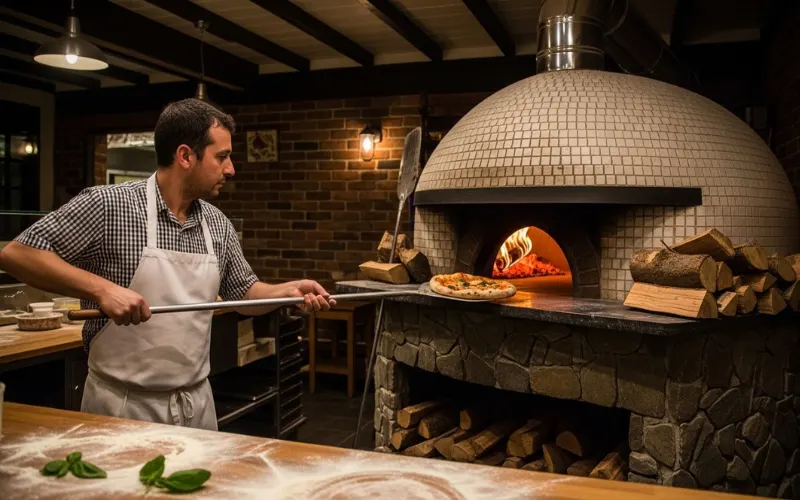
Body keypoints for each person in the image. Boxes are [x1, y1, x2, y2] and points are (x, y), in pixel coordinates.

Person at [0, 98, 335, 431]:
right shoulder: (108, 205)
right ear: (186, 156)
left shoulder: (217, 224)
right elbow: (18, 254)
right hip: (120, 407)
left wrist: (287, 290)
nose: (231, 169)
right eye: (222, 157)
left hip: (197, 405)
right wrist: (102, 290)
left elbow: (245, 292)